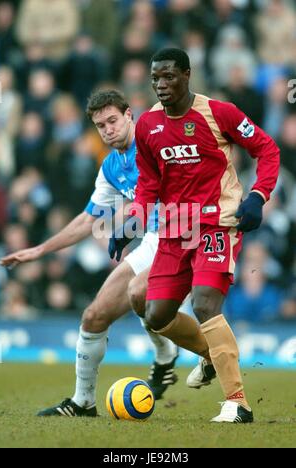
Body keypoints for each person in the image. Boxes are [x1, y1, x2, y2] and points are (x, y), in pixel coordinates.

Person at [0, 89, 213, 417]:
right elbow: (88, 219)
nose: (108, 129)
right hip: (156, 241)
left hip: (188, 237)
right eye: (101, 126)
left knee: (141, 294)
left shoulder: (157, 143)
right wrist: (40, 249)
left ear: (130, 115)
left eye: (113, 120)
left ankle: (205, 359)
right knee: (93, 316)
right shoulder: (112, 166)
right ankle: (83, 401)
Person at [109, 49, 280, 423]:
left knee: (204, 305)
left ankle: (238, 403)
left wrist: (257, 195)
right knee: (156, 315)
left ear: (187, 75)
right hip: (174, 231)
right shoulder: (147, 126)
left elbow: (266, 149)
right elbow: (149, 184)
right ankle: (210, 355)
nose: (161, 84)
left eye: (169, 76)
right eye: (155, 78)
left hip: (218, 222)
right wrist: (130, 224)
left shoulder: (220, 112)